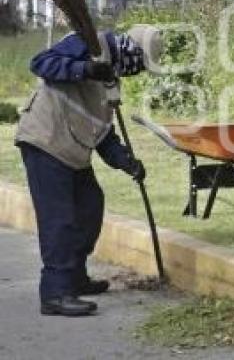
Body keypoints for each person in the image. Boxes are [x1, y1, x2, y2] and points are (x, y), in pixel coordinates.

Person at [14, 24, 162, 316]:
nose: (139, 71)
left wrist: (126, 161)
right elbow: (41, 63)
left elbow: (102, 131)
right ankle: (55, 293)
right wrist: (86, 68)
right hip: (46, 140)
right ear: (132, 53)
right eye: (141, 64)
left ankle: (75, 278)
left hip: (72, 150)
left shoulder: (112, 75)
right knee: (61, 221)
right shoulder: (88, 44)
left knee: (90, 208)